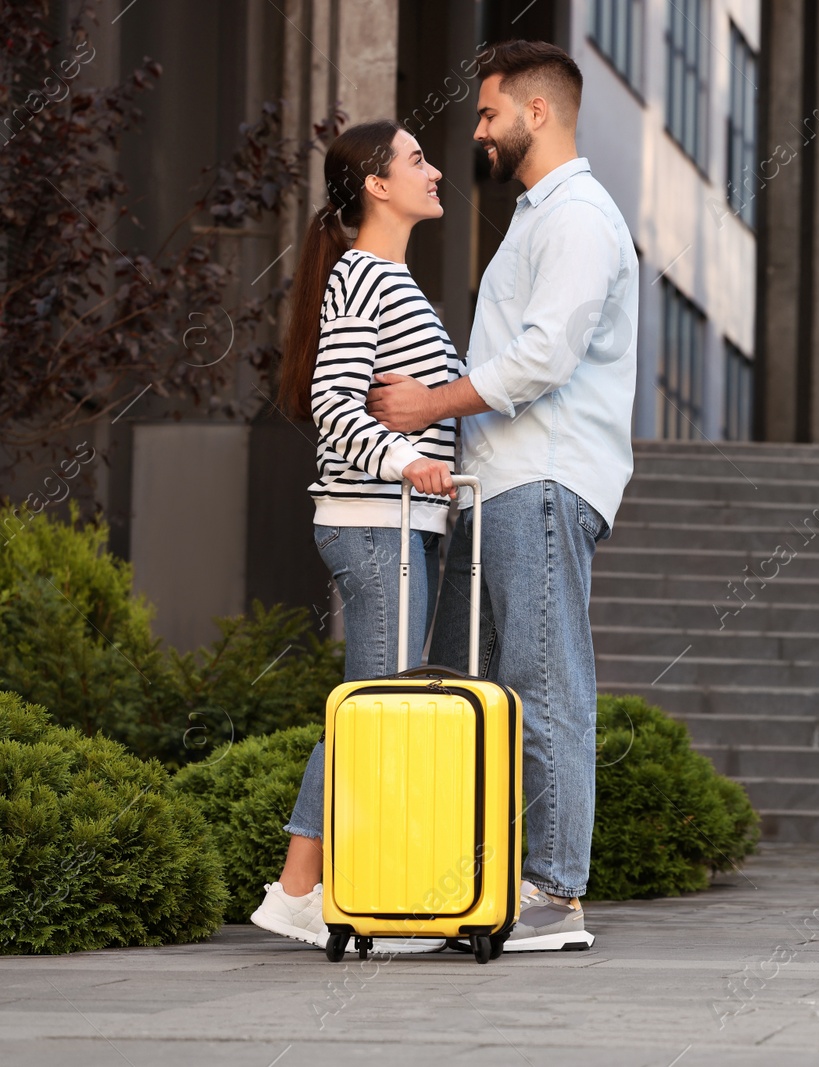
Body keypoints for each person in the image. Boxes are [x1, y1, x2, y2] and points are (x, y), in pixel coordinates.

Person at [367, 39, 638, 951]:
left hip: (544, 480)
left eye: (486, 115)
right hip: (497, 487)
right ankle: (466, 887)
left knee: (540, 685)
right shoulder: (534, 217)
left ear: (536, 113)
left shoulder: (579, 218)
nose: (476, 131)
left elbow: (541, 359)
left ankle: (554, 895)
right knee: (464, 694)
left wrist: (425, 403)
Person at [249, 120, 461, 952]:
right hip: (374, 522)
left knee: (378, 710)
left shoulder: (387, 278)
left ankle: (339, 883)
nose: (435, 170)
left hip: (401, 524)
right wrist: (409, 461)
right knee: (372, 712)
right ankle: (300, 888)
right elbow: (336, 406)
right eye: (417, 160)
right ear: (376, 184)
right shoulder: (364, 279)